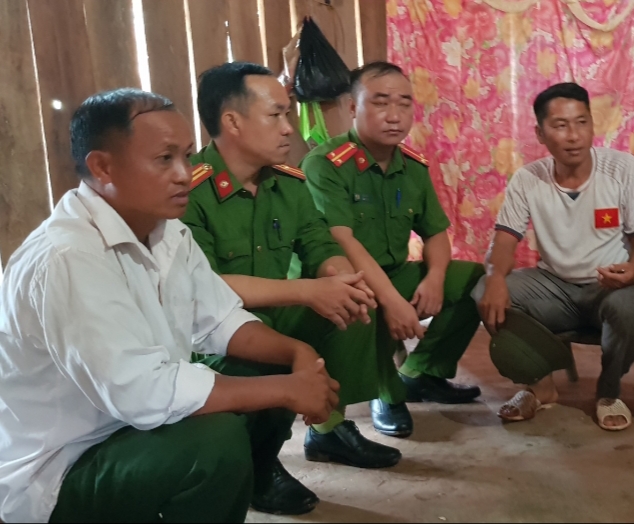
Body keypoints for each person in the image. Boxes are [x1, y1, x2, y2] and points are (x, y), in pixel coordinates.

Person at [0, 89, 341, 522]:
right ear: (102, 167)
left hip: (127, 432)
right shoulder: (67, 256)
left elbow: (220, 319)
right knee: (211, 444)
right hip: (61, 467)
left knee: (259, 367)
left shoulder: (168, 232)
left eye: (186, 155)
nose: (185, 174)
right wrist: (289, 389)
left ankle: (250, 476)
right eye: (164, 159)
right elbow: (143, 392)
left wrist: (296, 354)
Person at [182, 62, 402, 477]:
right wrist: (306, 291)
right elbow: (207, 288)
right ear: (232, 122)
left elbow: (320, 244)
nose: (289, 128)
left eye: (288, 114)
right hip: (207, 335)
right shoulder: (188, 192)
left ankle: (328, 425)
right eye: (276, 115)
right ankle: (256, 465)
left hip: (269, 315)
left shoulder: (287, 183)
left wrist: (340, 278)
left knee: (352, 303)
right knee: (265, 354)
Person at [302, 61, 485, 438]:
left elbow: (435, 232)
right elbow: (343, 240)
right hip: (343, 280)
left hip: (393, 272)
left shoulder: (412, 166)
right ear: (352, 107)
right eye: (381, 102)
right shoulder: (325, 165)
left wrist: (435, 278)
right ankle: (385, 392)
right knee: (368, 302)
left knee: (472, 279)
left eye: (404, 103)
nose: (394, 115)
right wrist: (392, 301)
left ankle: (421, 373)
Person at [472, 82, 634, 431]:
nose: (573, 136)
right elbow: (504, 243)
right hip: (554, 288)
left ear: (592, 125)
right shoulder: (528, 179)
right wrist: (495, 277)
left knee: (632, 308)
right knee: (484, 290)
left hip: (611, 286)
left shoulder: (622, 168)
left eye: (581, 122)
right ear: (540, 134)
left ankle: (609, 391)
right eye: (560, 125)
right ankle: (541, 386)